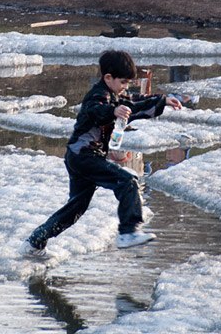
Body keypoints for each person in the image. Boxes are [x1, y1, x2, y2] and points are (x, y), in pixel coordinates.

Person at [19, 50, 182, 255]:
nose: (125, 87)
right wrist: (113, 112)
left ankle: (35, 241)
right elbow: (94, 110)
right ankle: (127, 232)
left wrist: (162, 101)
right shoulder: (98, 95)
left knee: (75, 209)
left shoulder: (116, 95)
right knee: (127, 181)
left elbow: (135, 102)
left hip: (79, 156)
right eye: (123, 82)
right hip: (84, 155)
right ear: (108, 78)